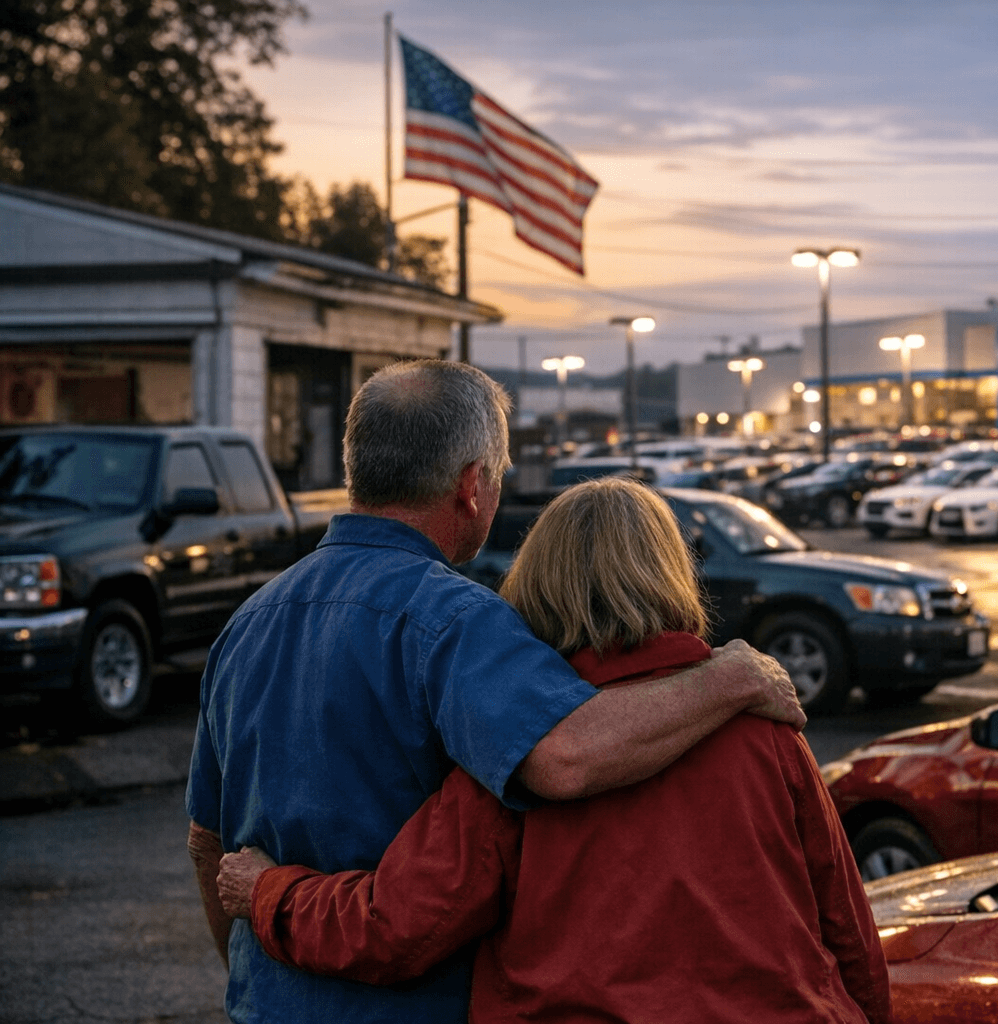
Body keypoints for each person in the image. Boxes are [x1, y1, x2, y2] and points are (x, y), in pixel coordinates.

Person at [185, 360, 801, 1023]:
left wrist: (254, 978)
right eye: (500, 478)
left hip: (264, 1002)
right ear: (472, 484)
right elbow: (568, 757)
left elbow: (206, 842)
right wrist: (730, 676)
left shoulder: (247, 623)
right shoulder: (454, 621)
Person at [216, 477, 891, 1024]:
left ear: (538, 582)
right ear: (673, 573)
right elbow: (849, 930)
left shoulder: (518, 757)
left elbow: (397, 927)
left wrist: (268, 890)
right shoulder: (766, 725)